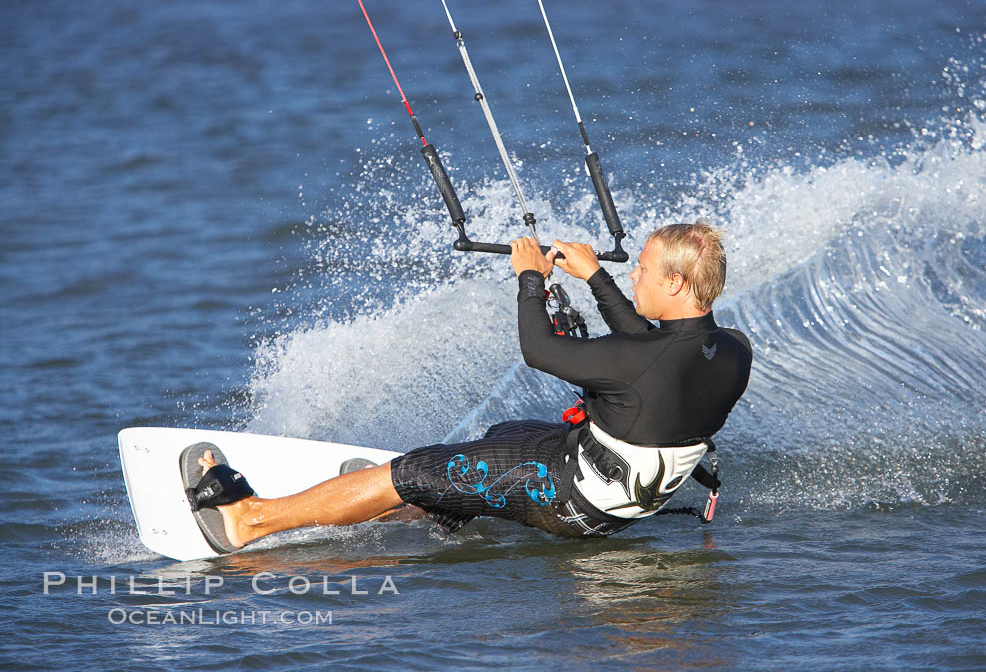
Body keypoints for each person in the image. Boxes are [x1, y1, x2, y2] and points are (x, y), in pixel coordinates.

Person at [188, 222, 752, 549]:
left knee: (408, 470)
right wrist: (597, 278)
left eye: (643, 272)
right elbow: (651, 348)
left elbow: (541, 350)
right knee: (502, 435)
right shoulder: (731, 349)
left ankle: (249, 521)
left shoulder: (641, 359)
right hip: (620, 500)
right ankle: (423, 506)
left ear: (676, 283)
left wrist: (531, 278)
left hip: (569, 497)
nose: (634, 275)